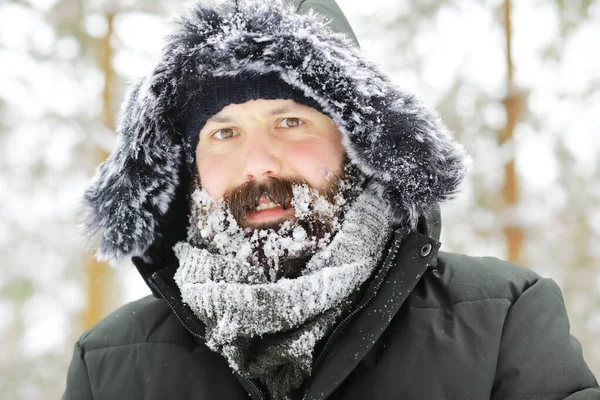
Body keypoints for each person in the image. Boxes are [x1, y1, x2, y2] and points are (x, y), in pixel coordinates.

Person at [63, 0, 600, 399]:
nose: (258, 163)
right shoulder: (109, 365)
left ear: (356, 144)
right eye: (224, 133)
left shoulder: (501, 318)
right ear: (190, 167)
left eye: (290, 121)